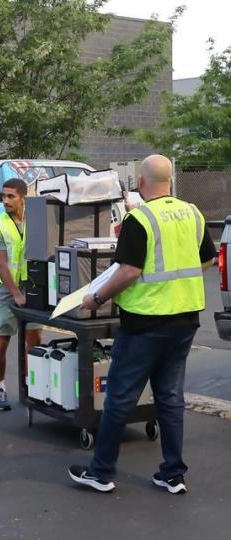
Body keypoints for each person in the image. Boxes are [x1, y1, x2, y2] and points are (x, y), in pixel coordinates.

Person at [69, 155, 215, 495]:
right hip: (185, 321)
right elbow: (206, 258)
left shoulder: (140, 218)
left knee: (119, 397)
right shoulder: (192, 213)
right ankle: (173, 474)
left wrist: (97, 298)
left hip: (144, 324)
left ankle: (101, 472)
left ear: (142, 183)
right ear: (172, 183)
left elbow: (129, 271)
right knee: (170, 397)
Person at [0, 178, 42, 411]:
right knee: (2, 340)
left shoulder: (35, 220)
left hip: (31, 285)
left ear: (23, 198)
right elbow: (1, 266)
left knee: (35, 340)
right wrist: (16, 293)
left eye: (11, 196)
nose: (5, 201)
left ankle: (35, 385)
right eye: (4, 196)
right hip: (5, 288)